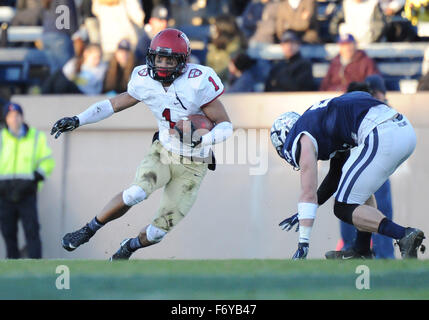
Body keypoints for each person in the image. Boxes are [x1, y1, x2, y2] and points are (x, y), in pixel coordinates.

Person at [50, 28, 233, 261]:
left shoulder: (198, 81)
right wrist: (78, 119)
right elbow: (114, 104)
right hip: (164, 151)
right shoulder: (144, 79)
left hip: (195, 163)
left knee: (157, 233)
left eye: (169, 59)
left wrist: (202, 138)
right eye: (159, 58)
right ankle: (88, 230)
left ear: (182, 62)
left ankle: (130, 246)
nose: (162, 64)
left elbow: (226, 125)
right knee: (136, 192)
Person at [271, 90, 425, 260]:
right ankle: (362, 250)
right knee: (357, 194)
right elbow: (335, 175)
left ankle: (403, 234)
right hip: (403, 130)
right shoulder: (319, 122)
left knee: (343, 206)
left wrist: (303, 244)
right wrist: (310, 208)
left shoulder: (302, 135)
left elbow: (308, 193)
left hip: (382, 132)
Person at [336, 75, 395, 259]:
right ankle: (357, 251)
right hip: (364, 169)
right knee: (353, 213)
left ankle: (381, 255)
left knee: (370, 211)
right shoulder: (372, 109)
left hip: (368, 170)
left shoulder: (382, 112)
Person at [0, 103, 55, 259]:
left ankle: (36, 264)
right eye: (10, 116)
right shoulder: (1, 138)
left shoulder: (36, 136)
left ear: (22, 117)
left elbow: (47, 162)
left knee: (32, 230)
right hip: (4, 193)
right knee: (8, 231)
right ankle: (12, 264)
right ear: (6, 119)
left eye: (17, 115)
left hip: (26, 192)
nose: (14, 119)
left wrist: (36, 178)